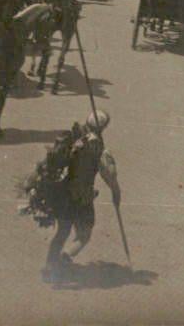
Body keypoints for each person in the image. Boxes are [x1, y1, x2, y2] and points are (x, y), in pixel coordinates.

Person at [21, 110, 120, 282]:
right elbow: (109, 176)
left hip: (64, 193)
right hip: (83, 197)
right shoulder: (100, 149)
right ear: (103, 127)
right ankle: (64, 259)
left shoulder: (74, 140)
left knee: (62, 232)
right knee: (84, 235)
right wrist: (116, 193)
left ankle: (50, 266)